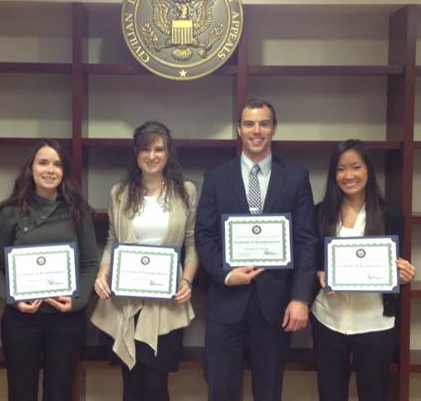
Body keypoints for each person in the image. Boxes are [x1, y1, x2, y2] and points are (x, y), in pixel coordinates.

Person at [195, 98, 318, 401]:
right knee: (221, 388)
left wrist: (300, 298)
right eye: (249, 123)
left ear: (274, 129)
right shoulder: (216, 176)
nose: (256, 130)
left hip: (276, 303)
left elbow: (306, 240)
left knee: (269, 391)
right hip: (227, 300)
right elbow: (204, 235)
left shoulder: (296, 176)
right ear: (239, 129)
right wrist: (224, 275)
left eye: (264, 123)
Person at [90, 121, 198, 401]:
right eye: (146, 149)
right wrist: (102, 275)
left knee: (156, 386)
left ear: (168, 153)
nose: (152, 156)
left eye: (159, 149)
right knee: (131, 384)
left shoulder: (185, 191)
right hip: (125, 301)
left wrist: (187, 280)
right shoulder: (119, 193)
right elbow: (113, 241)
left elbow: (191, 243)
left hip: (166, 304)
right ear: (136, 153)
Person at [0, 139, 99, 401]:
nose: (50, 170)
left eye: (57, 164)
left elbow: (90, 264)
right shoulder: (11, 213)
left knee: (59, 394)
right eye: (43, 162)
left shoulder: (78, 212)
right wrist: (13, 299)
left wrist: (77, 301)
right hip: (21, 321)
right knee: (20, 393)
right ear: (31, 168)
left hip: (66, 322)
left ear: (64, 171)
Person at [311, 139, 416, 401]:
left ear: (368, 169)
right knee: (330, 394)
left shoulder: (390, 214)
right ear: (333, 174)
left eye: (356, 167)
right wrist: (318, 274)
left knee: (374, 394)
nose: (349, 176)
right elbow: (310, 262)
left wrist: (404, 275)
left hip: (374, 322)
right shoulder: (320, 213)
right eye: (341, 169)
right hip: (328, 320)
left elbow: (395, 266)